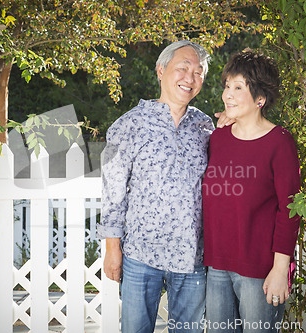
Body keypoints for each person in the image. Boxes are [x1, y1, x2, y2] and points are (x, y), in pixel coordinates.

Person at [98, 40, 230, 333]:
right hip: (141, 254)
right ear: (161, 70)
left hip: (191, 256)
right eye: (183, 68)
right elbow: (113, 193)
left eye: (198, 72)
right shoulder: (129, 124)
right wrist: (112, 248)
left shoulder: (205, 126)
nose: (190, 78)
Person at [202, 49, 301, 333]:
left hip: (260, 271)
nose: (227, 95)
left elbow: (290, 210)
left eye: (238, 87)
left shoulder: (279, 143)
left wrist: (281, 270)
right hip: (217, 267)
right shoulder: (218, 138)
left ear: (260, 98)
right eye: (226, 86)